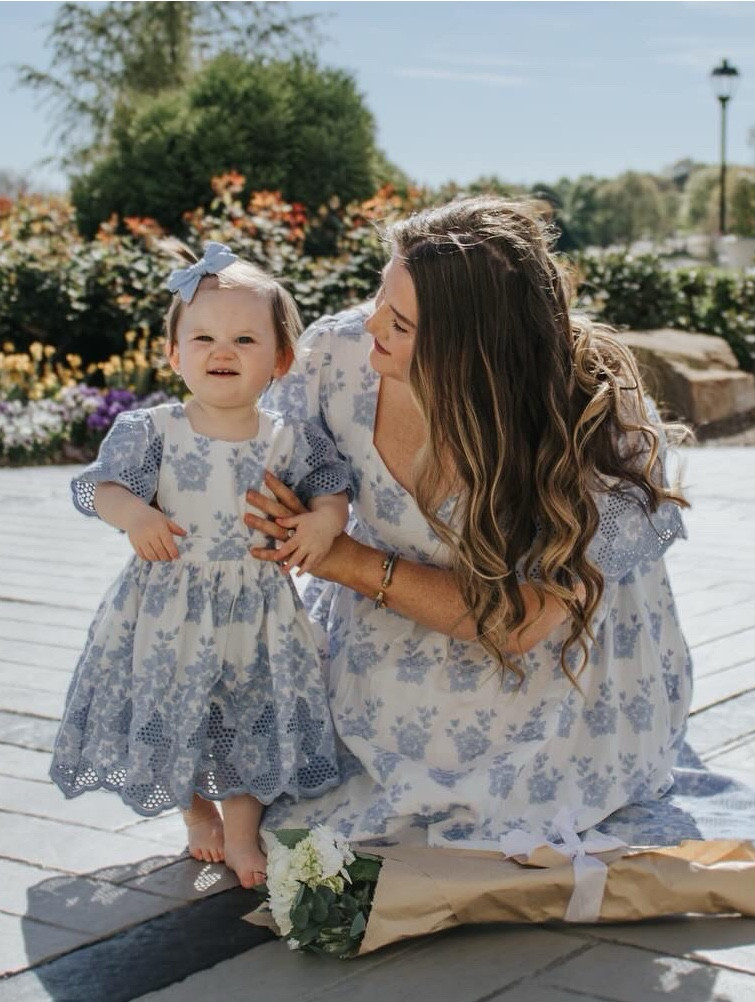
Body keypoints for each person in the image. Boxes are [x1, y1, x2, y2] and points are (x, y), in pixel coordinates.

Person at [245, 196, 699, 849]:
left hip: (551, 660)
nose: (371, 323)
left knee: (508, 794)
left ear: (473, 354)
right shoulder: (334, 361)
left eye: (400, 323)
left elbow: (519, 625)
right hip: (388, 620)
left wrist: (344, 560)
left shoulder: (598, 420)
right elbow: (266, 486)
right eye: (380, 296)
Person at [50, 242, 350, 887]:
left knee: (245, 715)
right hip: (166, 606)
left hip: (255, 610)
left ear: (281, 359)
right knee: (161, 709)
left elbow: (329, 484)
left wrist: (325, 519)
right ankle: (195, 816)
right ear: (173, 353)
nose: (223, 351)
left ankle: (243, 833)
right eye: (204, 337)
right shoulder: (153, 429)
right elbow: (102, 487)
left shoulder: (288, 437)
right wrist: (135, 516)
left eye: (246, 338)